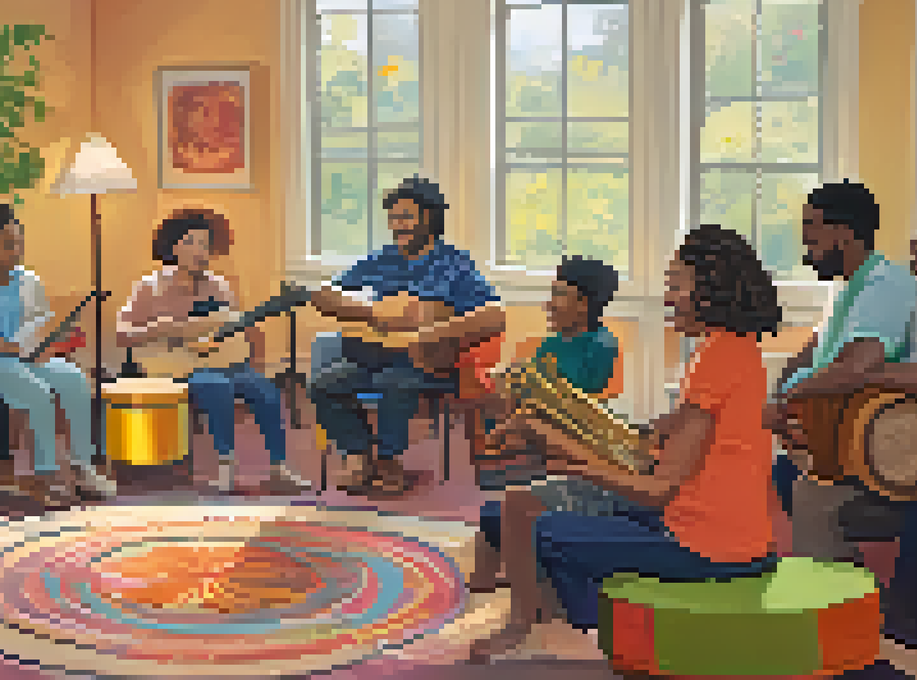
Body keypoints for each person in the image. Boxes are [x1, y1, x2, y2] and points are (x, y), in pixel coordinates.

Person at [479, 225, 782, 651]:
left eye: (675, 284)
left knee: (539, 529)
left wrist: (579, 465)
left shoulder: (717, 358)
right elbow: (682, 431)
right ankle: (538, 617)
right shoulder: (732, 347)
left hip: (706, 547)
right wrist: (619, 434)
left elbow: (657, 489)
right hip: (705, 524)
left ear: (710, 291)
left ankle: (555, 623)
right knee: (518, 504)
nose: (667, 297)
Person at [781, 196, 917, 664]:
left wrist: (864, 374)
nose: (916, 241)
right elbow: (902, 364)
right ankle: (845, 618)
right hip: (916, 440)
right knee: (813, 487)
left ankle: (895, 636)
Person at [308, 176, 503, 497]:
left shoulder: (454, 264)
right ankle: (359, 454)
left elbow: (495, 315)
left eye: (406, 217)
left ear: (430, 218)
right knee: (324, 384)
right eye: (393, 218)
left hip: (428, 363)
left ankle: (389, 460)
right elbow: (324, 294)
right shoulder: (381, 259)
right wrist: (374, 315)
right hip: (373, 356)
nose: (397, 226)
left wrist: (434, 331)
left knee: (394, 382)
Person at [0, 203, 116, 507]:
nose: (18, 252)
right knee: (36, 392)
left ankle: (83, 468)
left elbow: (38, 323)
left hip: (21, 359)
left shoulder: (28, 280)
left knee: (75, 381)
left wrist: (45, 341)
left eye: (20, 244)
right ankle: (46, 477)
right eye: (10, 245)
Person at [470, 256, 623, 627]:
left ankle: (530, 587)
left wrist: (525, 396)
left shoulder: (600, 345)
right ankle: (487, 581)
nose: (548, 304)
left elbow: (575, 406)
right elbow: (529, 401)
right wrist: (508, 389)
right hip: (537, 437)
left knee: (512, 500)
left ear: (584, 303)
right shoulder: (550, 345)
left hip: (568, 446)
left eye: (558, 295)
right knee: (492, 493)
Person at [116, 209, 313, 493]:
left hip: (225, 363)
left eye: (206, 246)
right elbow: (123, 334)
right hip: (179, 368)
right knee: (214, 386)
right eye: (194, 243)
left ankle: (278, 468)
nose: (202, 252)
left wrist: (236, 341)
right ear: (174, 248)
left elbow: (234, 332)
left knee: (265, 390)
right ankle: (226, 464)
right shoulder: (149, 288)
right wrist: (160, 329)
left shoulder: (218, 286)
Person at [768, 182, 916, 519]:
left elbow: (858, 367)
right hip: (821, 432)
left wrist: (785, 401)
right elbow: (813, 353)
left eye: (812, 229)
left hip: (860, 441)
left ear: (843, 234)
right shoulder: (852, 286)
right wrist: (785, 391)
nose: (805, 241)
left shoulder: (885, 286)